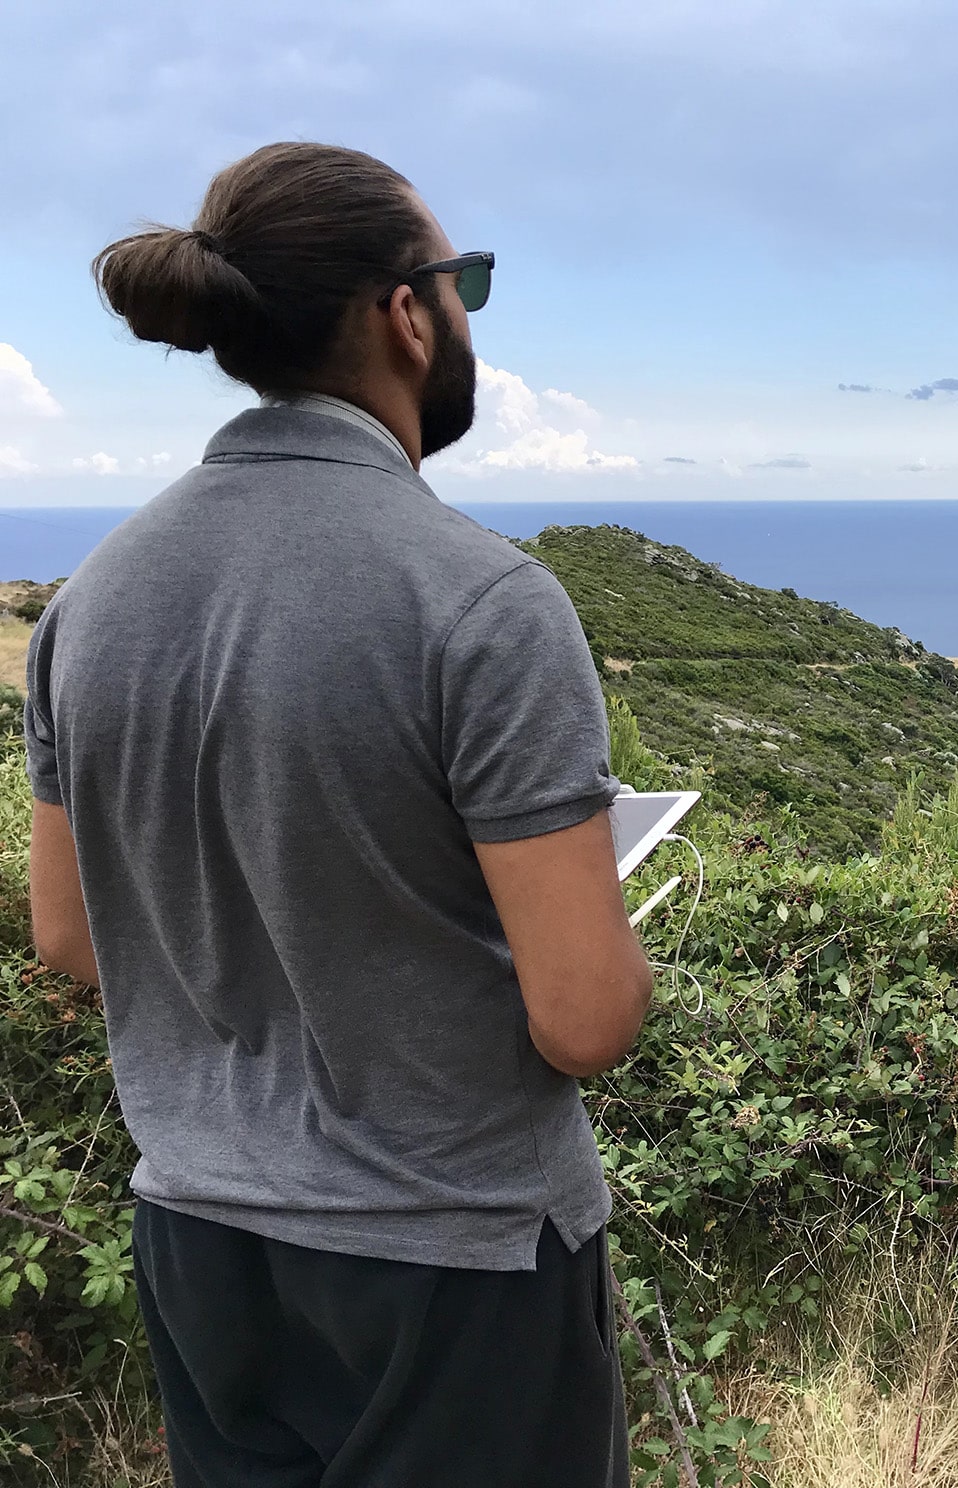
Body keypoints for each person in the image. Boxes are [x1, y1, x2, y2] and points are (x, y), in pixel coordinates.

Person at [24, 142, 651, 1487]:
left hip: (205, 1247)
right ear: (407, 311)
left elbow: (72, 942)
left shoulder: (91, 604)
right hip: (459, 1261)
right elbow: (586, 1021)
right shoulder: (481, 603)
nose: (465, 312)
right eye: (462, 279)